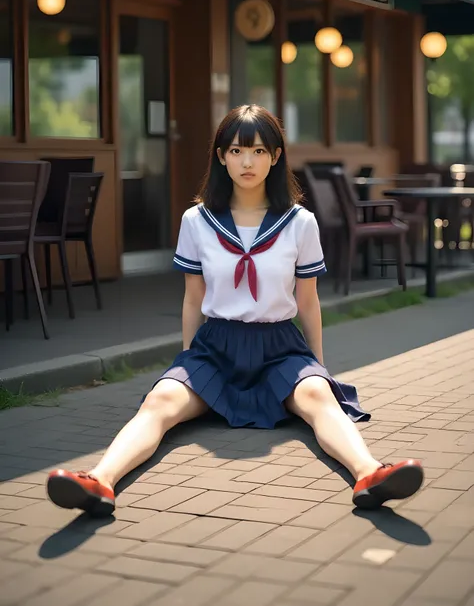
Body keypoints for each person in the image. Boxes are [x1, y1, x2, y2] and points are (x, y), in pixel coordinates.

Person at [46, 105, 423, 517]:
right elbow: (193, 298)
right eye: (238, 150)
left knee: (317, 397)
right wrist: (187, 363)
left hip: (279, 346)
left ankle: (369, 474)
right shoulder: (197, 220)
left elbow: (308, 301)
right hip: (216, 346)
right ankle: (100, 480)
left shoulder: (300, 222)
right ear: (221, 156)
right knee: (159, 401)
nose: (248, 161)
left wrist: (318, 368)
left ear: (276, 157)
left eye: (260, 151)